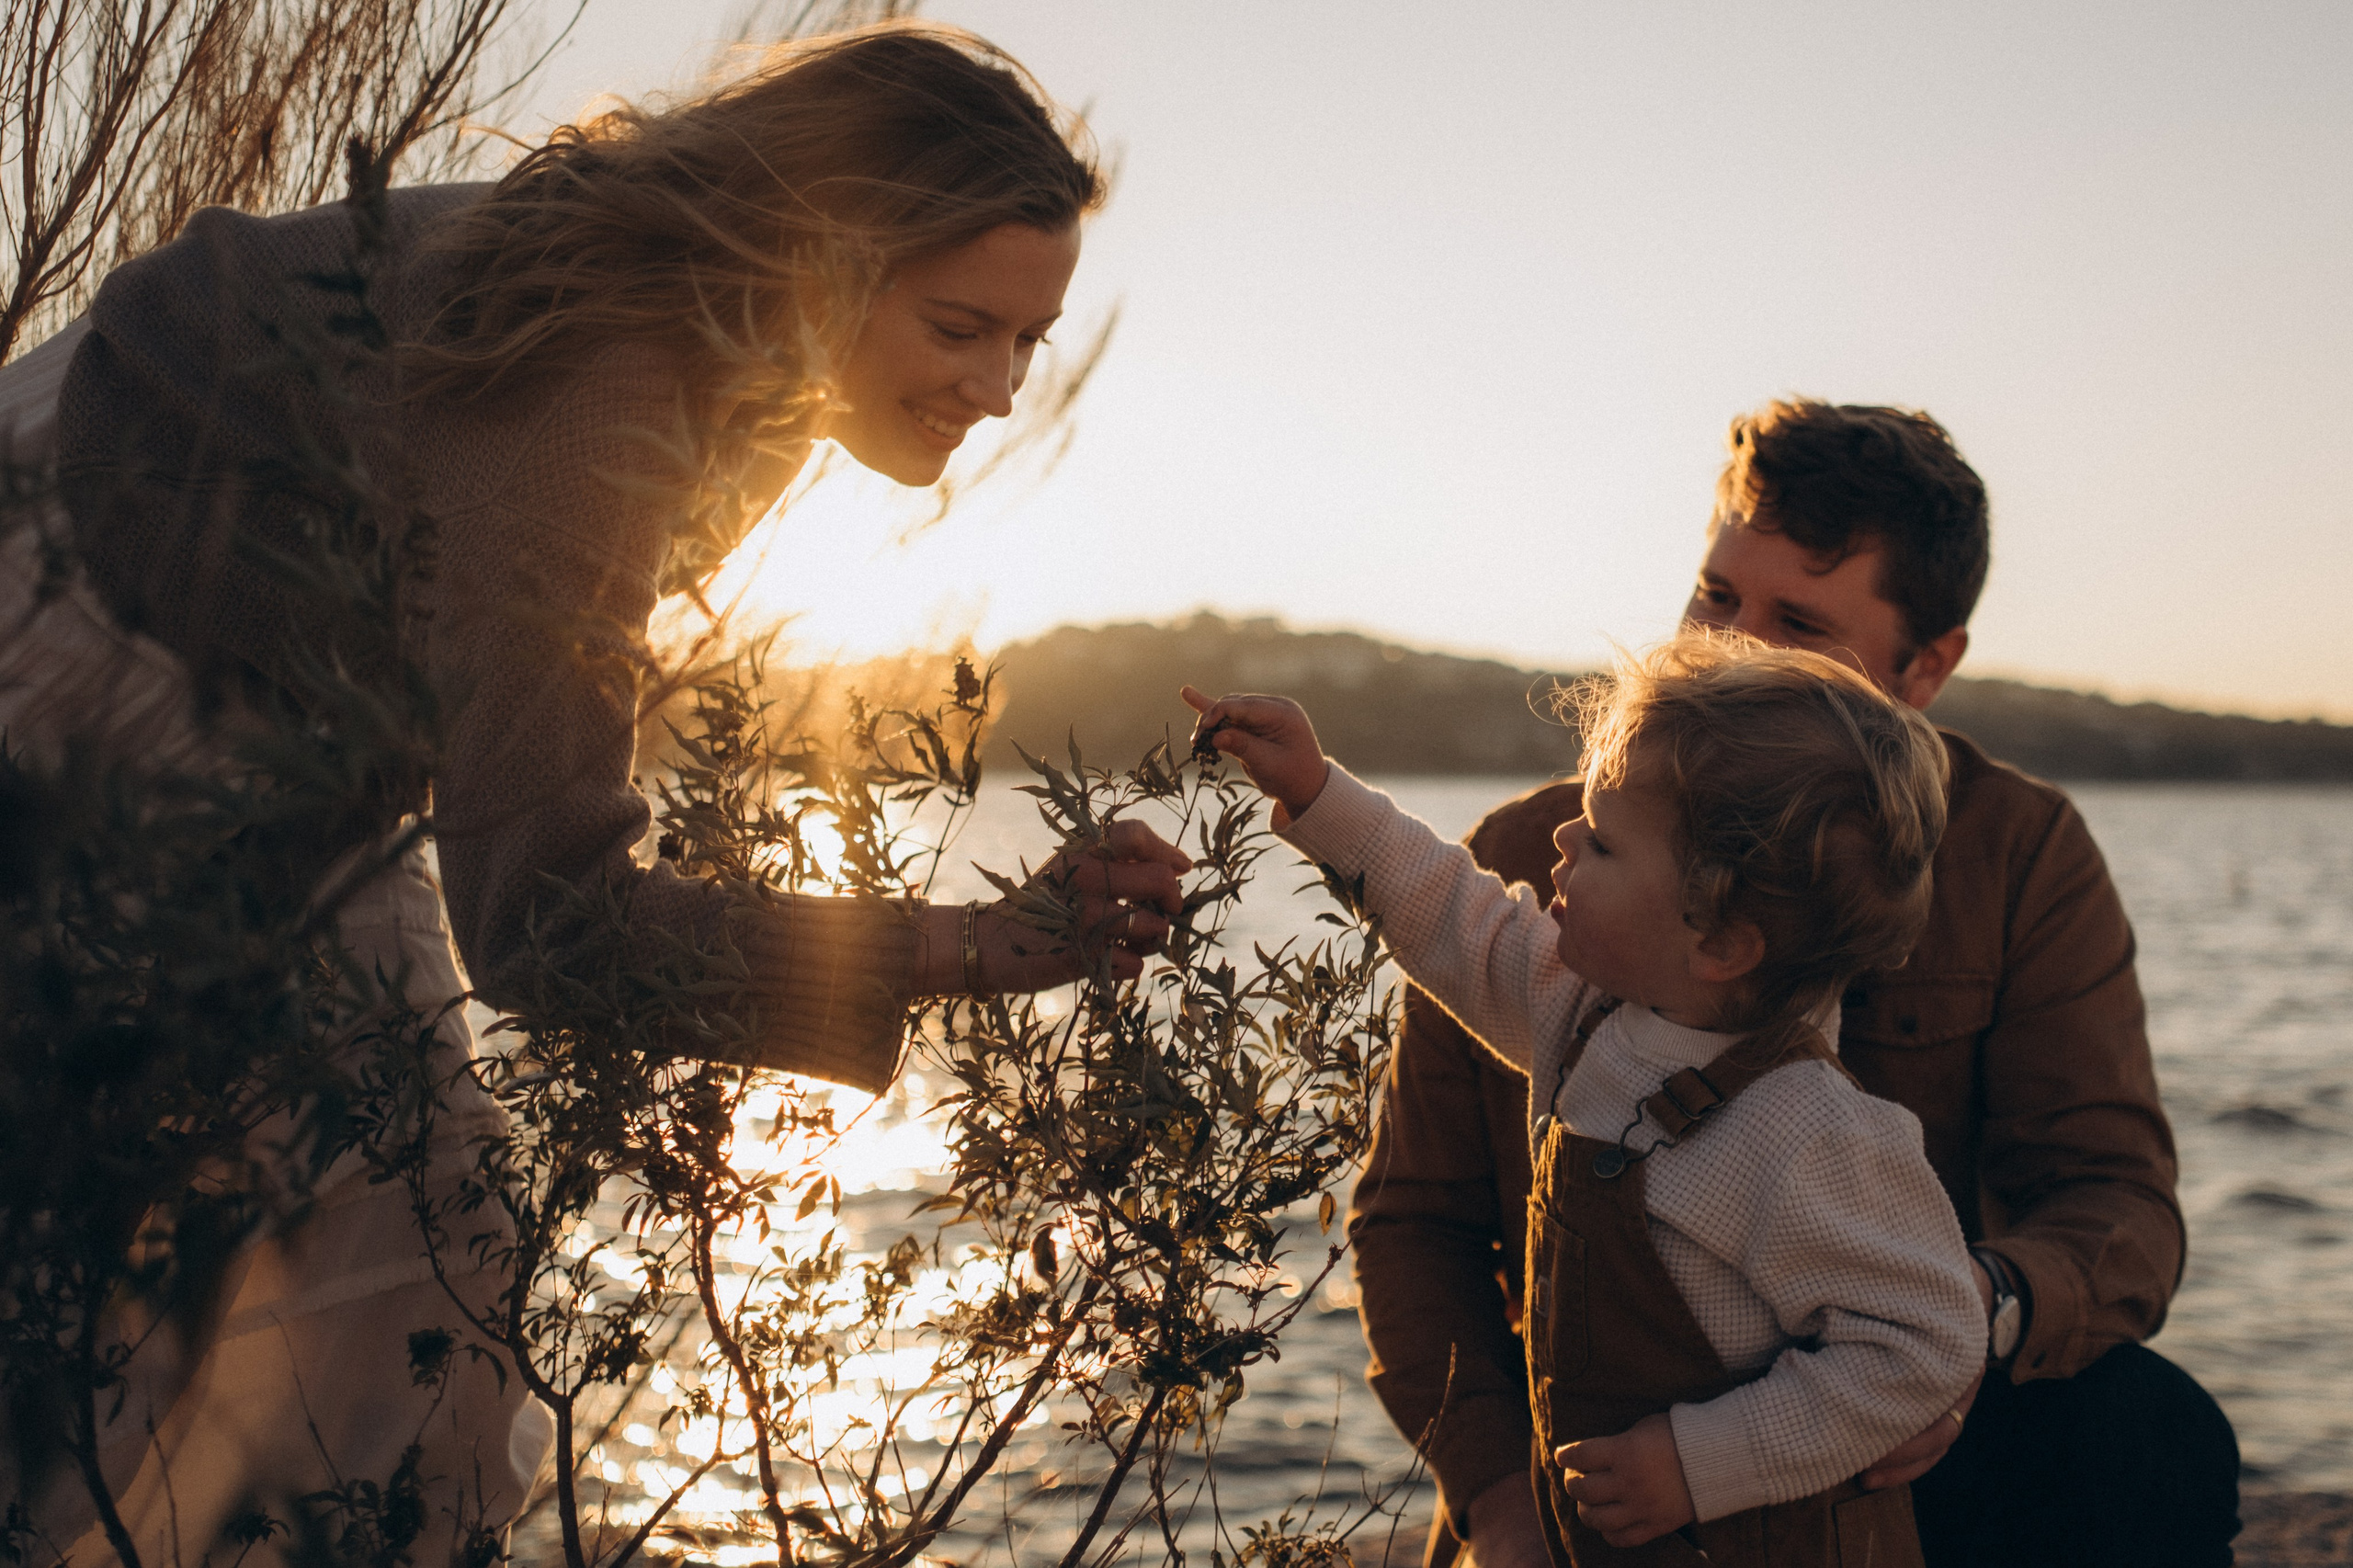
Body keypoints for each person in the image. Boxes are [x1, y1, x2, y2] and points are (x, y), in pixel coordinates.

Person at [0, 23, 1188, 1566]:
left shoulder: (752, 363)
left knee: (409, 1254)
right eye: (962, 328)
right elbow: (547, 913)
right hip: (72, 616)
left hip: (284, 711)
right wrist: (964, 944)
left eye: (1029, 342)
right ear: (823, 261)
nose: (1001, 389)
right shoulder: (599, 393)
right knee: (223, 1251)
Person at [1350, 399, 2239, 1568]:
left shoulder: (2019, 852)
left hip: (1896, 1441)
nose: (1726, 647)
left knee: (2155, 1435)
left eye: (1797, 623)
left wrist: (1962, 1324)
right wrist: (1504, 1507)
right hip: (1600, 1470)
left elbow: (2113, 1200)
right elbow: (1413, 1221)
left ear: (1926, 665)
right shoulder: (1541, 850)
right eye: (1714, 595)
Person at [1182, 633, 1982, 1566]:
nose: (1563, 838)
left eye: (1601, 841)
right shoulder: (1586, 1008)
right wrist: (1319, 792)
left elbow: (1925, 1342)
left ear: (1720, 942)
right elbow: (1455, 915)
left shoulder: (1806, 1127)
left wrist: (1695, 1462)